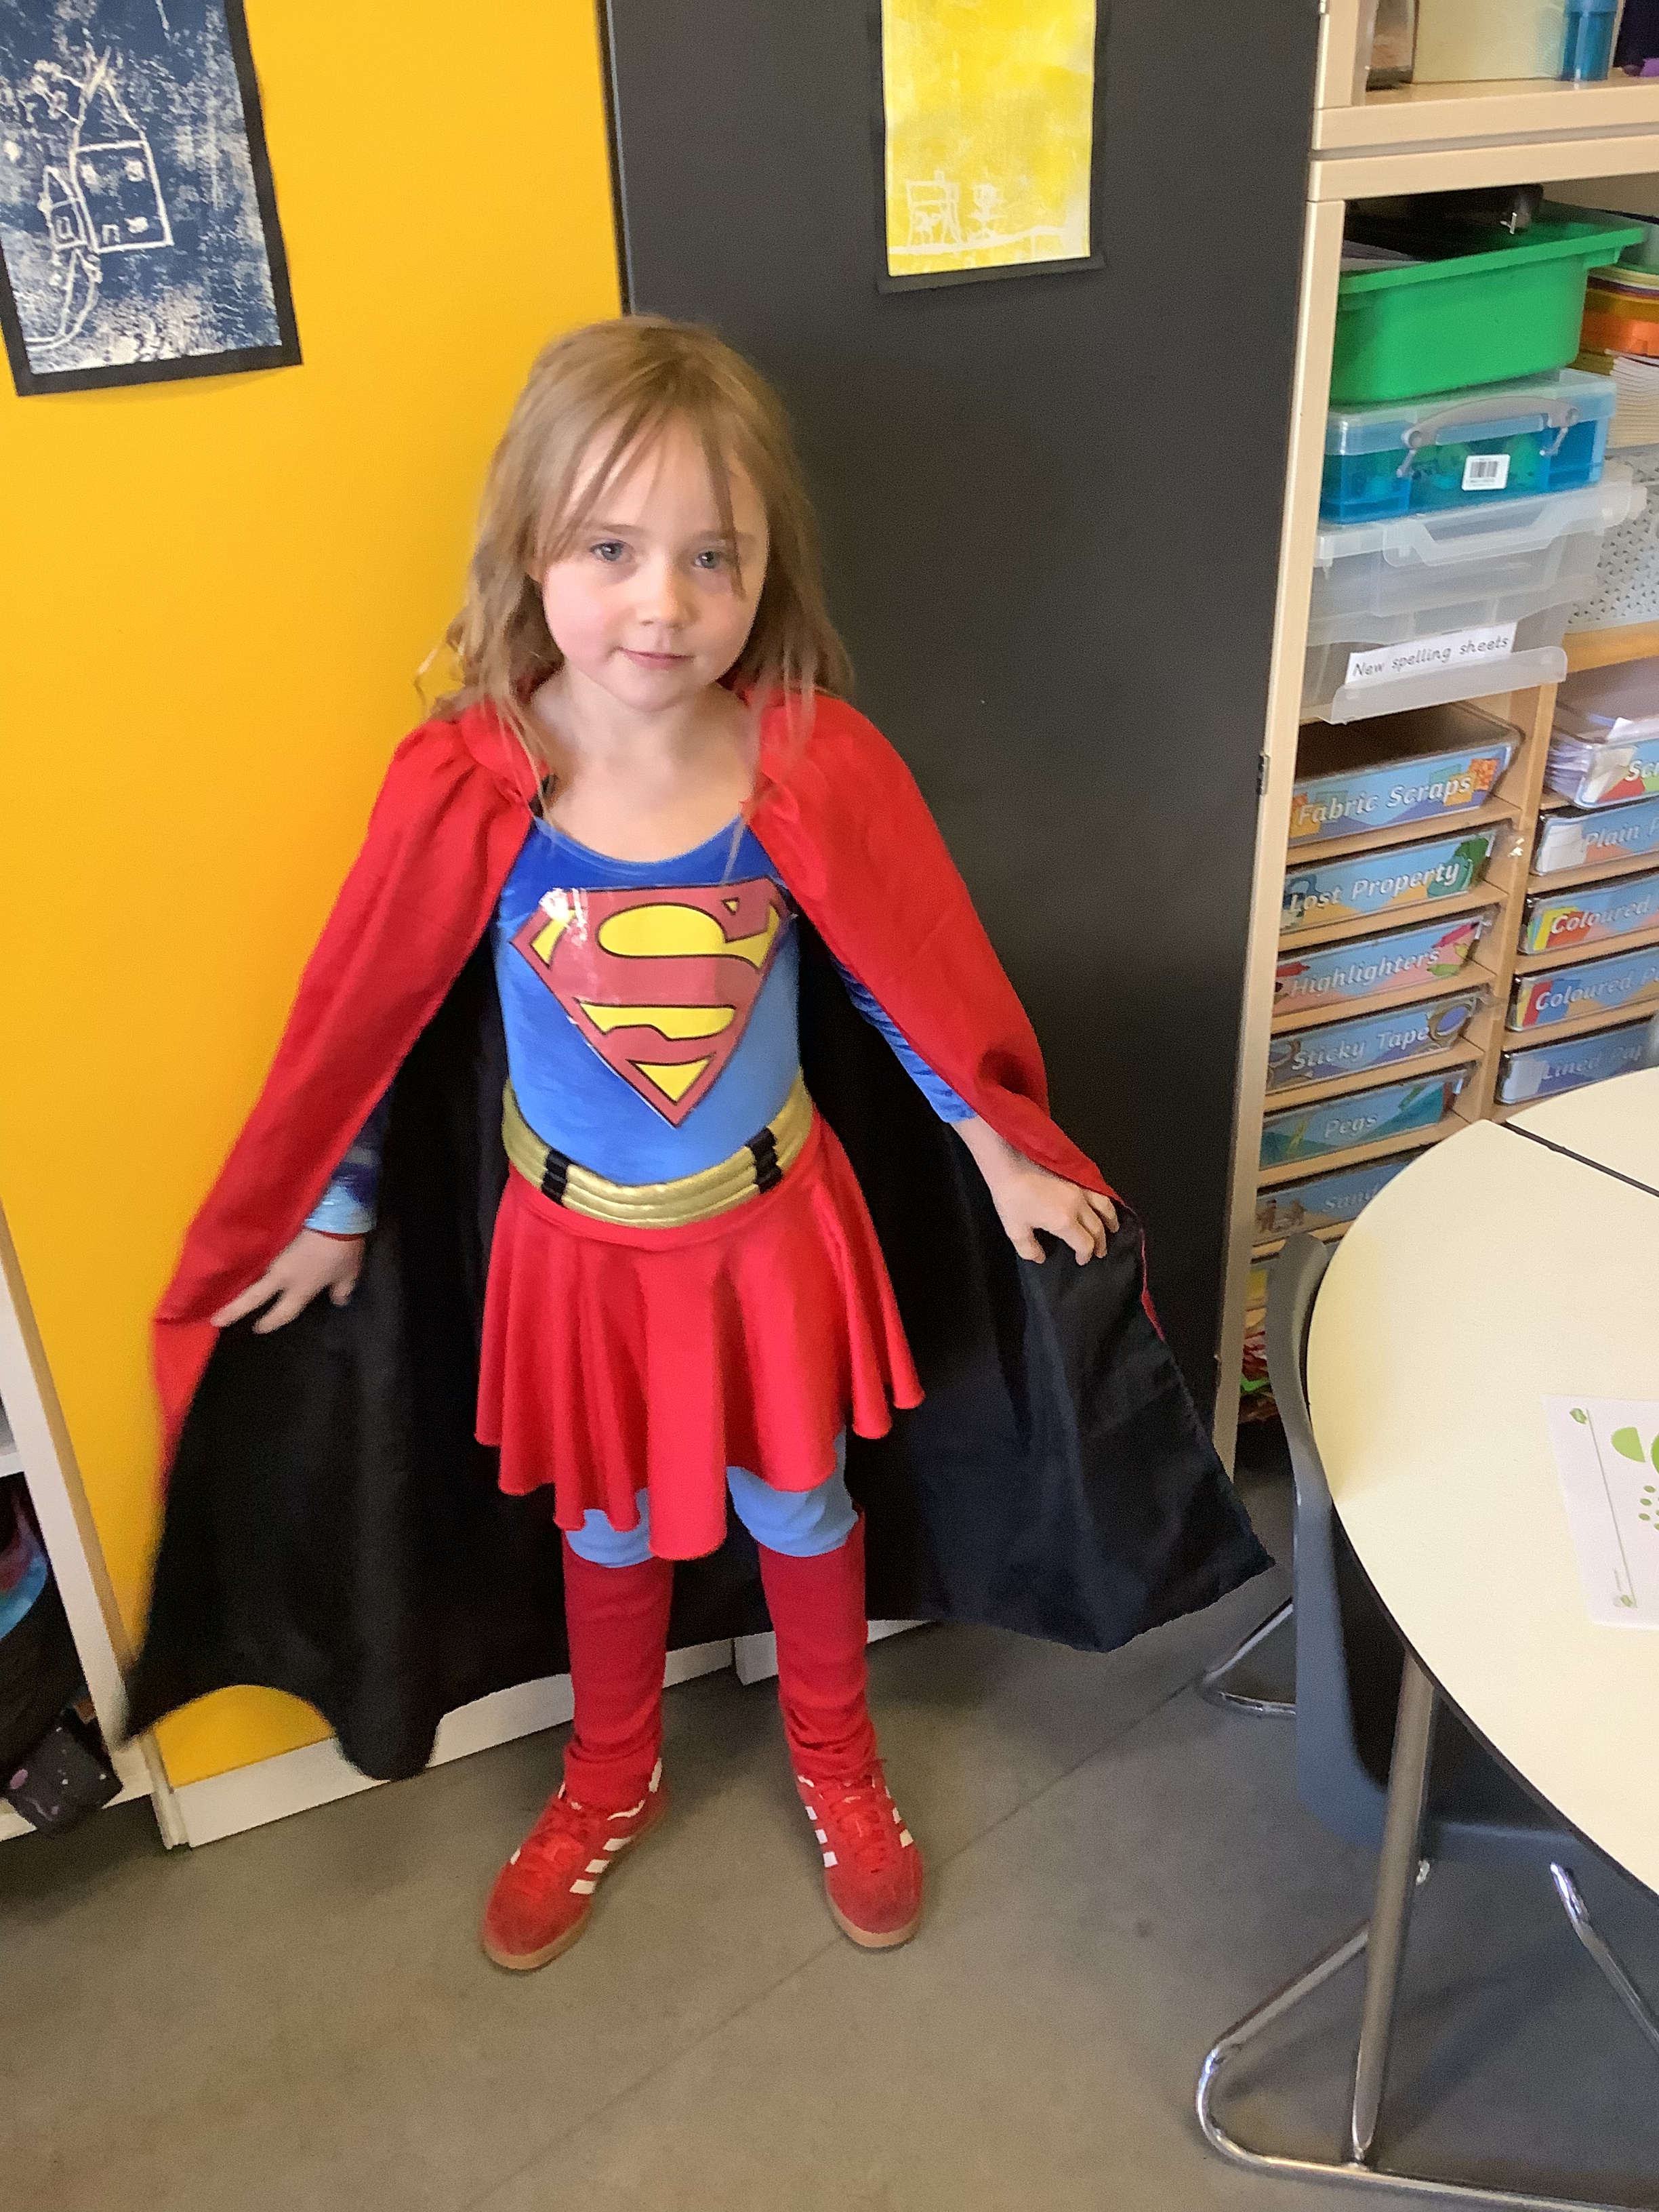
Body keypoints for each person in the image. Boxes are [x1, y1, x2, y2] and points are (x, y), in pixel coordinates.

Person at [127, 316, 1268, 1974]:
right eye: (611, 549)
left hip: (770, 1242)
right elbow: (378, 1018)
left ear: (762, 571)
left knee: (801, 1505)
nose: (661, 603)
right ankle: (608, 1775)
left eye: (710, 557)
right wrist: (337, 1202)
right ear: (532, 549)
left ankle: (838, 1761)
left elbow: (899, 982)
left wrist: (1000, 1149)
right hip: (575, 1259)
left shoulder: (804, 763)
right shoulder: (470, 785)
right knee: (603, 1525)